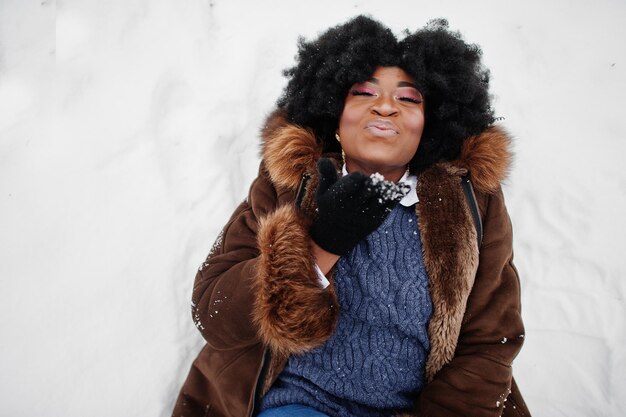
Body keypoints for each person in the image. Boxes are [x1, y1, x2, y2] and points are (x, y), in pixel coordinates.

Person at [172, 15, 531, 417]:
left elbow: (490, 341)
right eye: (364, 92)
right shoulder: (290, 184)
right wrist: (318, 246)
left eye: (409, 99)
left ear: (431, 125)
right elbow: (213, 315)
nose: (385, 106)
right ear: (335, 115)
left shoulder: (473, 203)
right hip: (297, 403)